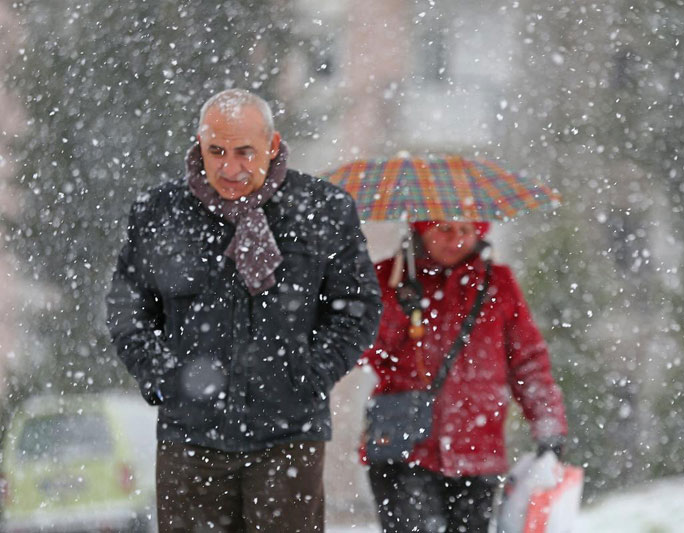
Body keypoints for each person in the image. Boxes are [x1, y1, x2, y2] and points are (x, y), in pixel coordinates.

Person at [106, 88, 382, 532]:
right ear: (199, 144)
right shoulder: (161, 212)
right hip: (190, 441)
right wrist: (164, 378)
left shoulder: (323, 211)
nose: (229, 168)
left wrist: (309, 376)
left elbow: (358, 309)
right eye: (216, 151)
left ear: (272, 147)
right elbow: (128, 310)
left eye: (243, 152)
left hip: (289, 438)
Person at [361, 220, 568, 533]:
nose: (455, 239)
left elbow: (527, 361)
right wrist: (398, 306)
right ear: (422, 230)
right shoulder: (390, 277)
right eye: (443, 228)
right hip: (403, 449)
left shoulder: (498, 283)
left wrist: (548, 423)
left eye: (465, 230)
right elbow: (364, 350)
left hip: (478, 450)